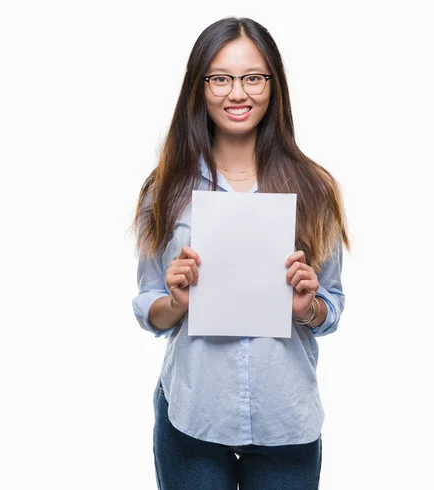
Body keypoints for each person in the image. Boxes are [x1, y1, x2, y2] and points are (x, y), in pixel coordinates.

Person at [131, 16, 350, 490]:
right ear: (199, 86)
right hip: (194, 415)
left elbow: (332, 307)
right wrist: (176, 301)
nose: (238, 93)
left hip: (284, 419)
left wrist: (308, 306)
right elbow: (148, 305)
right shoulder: (166, 188)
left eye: (252, 77)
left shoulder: (315, 189)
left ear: (273, 85)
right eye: (221, 78)